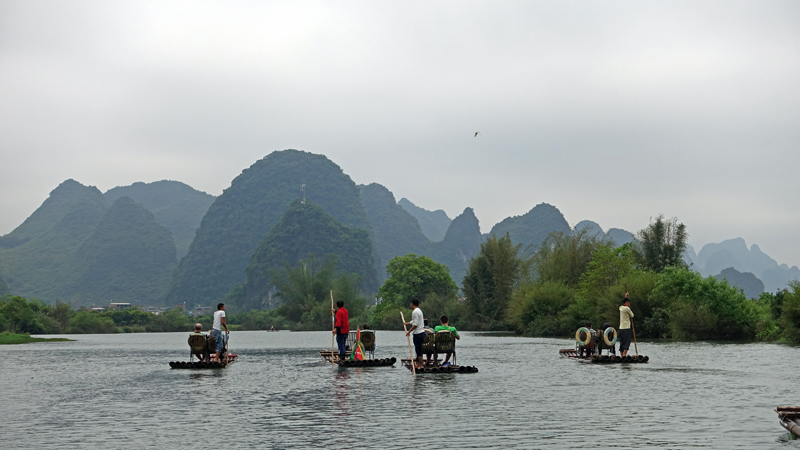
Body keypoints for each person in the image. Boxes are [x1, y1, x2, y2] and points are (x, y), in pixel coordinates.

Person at [403, 298, 425, 369]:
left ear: (412, 304)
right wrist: (408, 323)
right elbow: (414, 321)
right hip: (421, 332)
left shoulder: (415, 312)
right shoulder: (419, 311)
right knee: (418, 349)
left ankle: (421, 365)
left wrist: (409, 331)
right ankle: (418, 364)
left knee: (418, 350)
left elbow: (415, 324)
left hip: (418, 333)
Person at [619, 292, 634, 357]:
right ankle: (624, 355)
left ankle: (622, 355)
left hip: (621, 327)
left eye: (629, 303)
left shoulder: (621, 308)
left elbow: (624, 304)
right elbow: (632, 315)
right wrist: (629, 308)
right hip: (626, 327)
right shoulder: (627, 309)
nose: (628, 304)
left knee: (622, 341)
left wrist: (626, 297)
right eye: (627, 303)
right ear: (624, 303)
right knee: (627, 341)